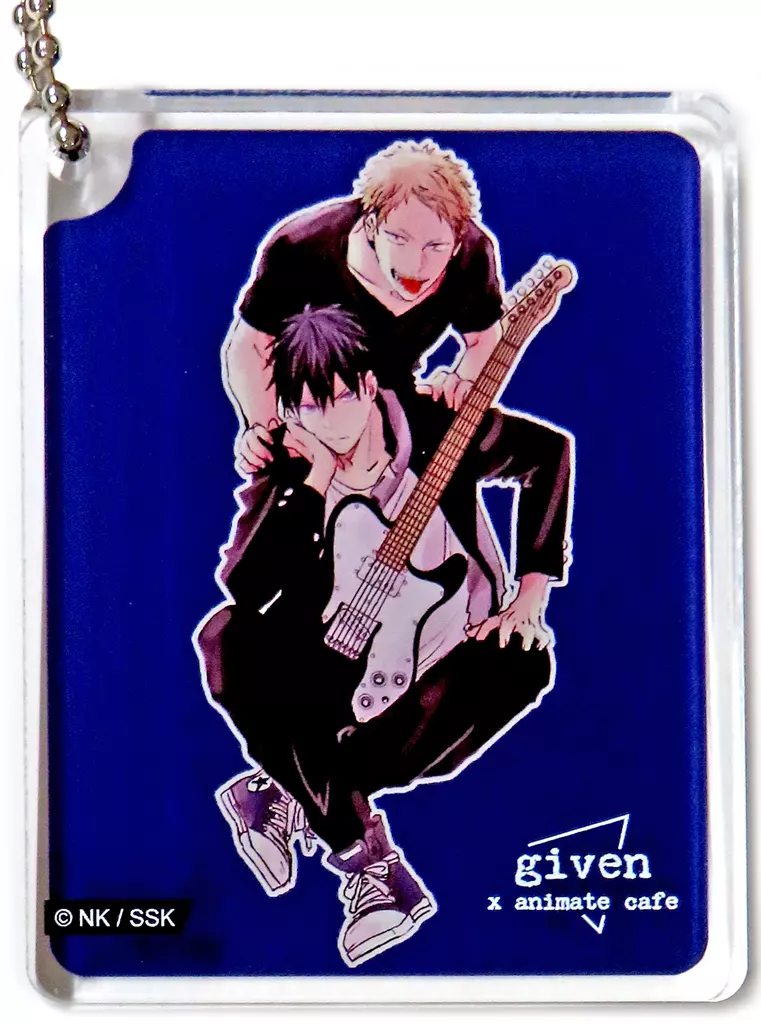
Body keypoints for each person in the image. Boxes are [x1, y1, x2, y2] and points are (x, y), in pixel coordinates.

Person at [195, 305, 574, 967]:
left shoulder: (435, 425)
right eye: (308, 407)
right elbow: (246, 587)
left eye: (342, 397)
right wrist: (312, 482)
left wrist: (530, 594)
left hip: (443, 659)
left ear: (369, 384)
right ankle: (371, 867)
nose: (330, 420)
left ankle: (287, 790)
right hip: (332, 671)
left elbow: (548, 455)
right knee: (226, 640)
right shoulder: (291, 464)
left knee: (524, 664)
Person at [224, 138, 508, 478]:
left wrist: (464, 378)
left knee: (540, 452)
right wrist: (263, 424)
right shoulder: (301, 246)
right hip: (318, 413)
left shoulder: (473, 255)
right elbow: (251, 345)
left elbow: (484, 337)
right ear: (372, 225)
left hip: (399, 406)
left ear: (457, 242)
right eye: (399, 239)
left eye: (435, 246)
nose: (415, 264)